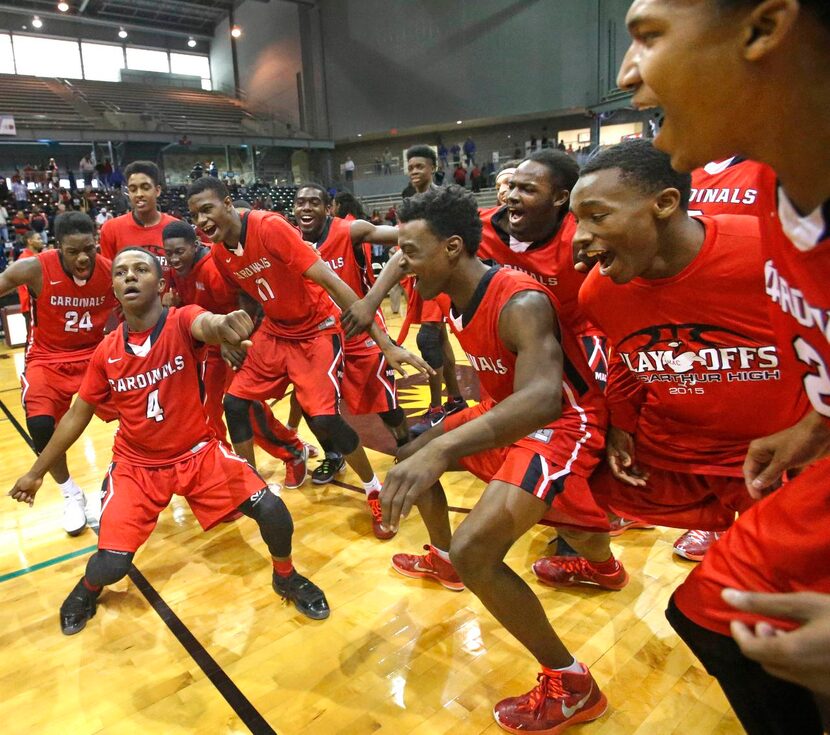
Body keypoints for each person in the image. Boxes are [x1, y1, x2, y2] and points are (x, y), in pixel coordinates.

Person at [616, 1, 830, 732]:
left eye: (647, 37)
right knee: (716, 613)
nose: (626, 76)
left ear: (764, 29)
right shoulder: (780, 194)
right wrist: (817, 421)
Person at [380, 186, 610, 734]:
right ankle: (442, 556)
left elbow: (541, 399)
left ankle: (573, 684)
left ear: (453, 248)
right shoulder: (452, 293)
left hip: (559, 424)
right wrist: (432, 445)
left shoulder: (519, 300)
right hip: (501, 412)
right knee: (411, 456)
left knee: (476, 549)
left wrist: (444, 445)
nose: (402, 266)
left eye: (411, 253)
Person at [9, 247, 330, 634]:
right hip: (137, 467)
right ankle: (86, 588)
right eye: (122, 272)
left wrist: (224, 323)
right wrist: (36, 472)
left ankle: (286, 575)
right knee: (112, 564)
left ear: (161, 285)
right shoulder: (105, 353)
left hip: (198, 454)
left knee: (273, 510)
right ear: (113, 287)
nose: (129, 276)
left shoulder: (181, 320)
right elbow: (77, 416)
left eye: (140, 270)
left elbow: (206, 324)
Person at [534, 139, 810, 589]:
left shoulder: (769, 252)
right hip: (674, 453)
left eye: (597, 216)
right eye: (576, 221)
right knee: (550, 488)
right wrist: (621, 423)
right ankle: (600, 566)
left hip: (779, 456)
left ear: (665, 203)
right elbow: (626, 351)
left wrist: (813, 429)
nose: (579, 237)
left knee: (755, 604)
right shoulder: (599, 292)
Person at [186, 177, 430, 506]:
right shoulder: (219, 255)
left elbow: (330, 281)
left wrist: (385, 343)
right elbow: (247, 300)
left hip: (318, 326)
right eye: (195, 215)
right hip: (276, 330)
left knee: (325, 416)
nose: (201, 220)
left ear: (228, 203)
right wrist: (234, 336)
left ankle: (374, 489)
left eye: (207, 209)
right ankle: (253, 489)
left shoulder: (269, 227)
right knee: (234, 402)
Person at [289, 185, 409, 536]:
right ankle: (334, 454)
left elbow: (403, 235)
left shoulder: (348, 230)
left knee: (383, 403)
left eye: (315, 202)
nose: (306, 207)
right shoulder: (287, 237)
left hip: (361, 330)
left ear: (330, 207)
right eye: (300, 202)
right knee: (317, 409)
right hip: (318, 334)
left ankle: (404, 443)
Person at [161, 221, 312, 491]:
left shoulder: (212, 269)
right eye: (168, 253)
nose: (173, 259)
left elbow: (250, 304)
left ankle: (292, 450)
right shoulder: (174, 272)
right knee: (205, 414)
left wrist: (234, 339)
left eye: (179, 252)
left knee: (243, 407)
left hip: (235, 345)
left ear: (194, 245)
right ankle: (223, 468)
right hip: (207, 348)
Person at [1, 213, 117, 535]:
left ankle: (131, 473)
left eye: (89, 249)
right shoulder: (35, 268)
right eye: (73, 251)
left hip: (95, 356)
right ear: (58, 247)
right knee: (41, 425)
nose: (82, 258)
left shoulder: (111, 272)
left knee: (141, 408)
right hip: (47, 358)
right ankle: (70, 493)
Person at [401, 146, 467, 435]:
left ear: (433, 167)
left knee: (427, 338)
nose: (415, 171)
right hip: (419, 277)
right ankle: (455, 399)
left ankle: (437, 408)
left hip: (441, 276)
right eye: (411, 167)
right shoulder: (409, 201)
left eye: (420, 166)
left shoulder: (443, 199)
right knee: (439, 339)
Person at [99, 161, 180, 266]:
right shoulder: (111, 229)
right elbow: (108, 274)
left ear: (157, 190)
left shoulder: (176, 228)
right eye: (133, 189)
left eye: (145, 188)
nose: (139, 194)